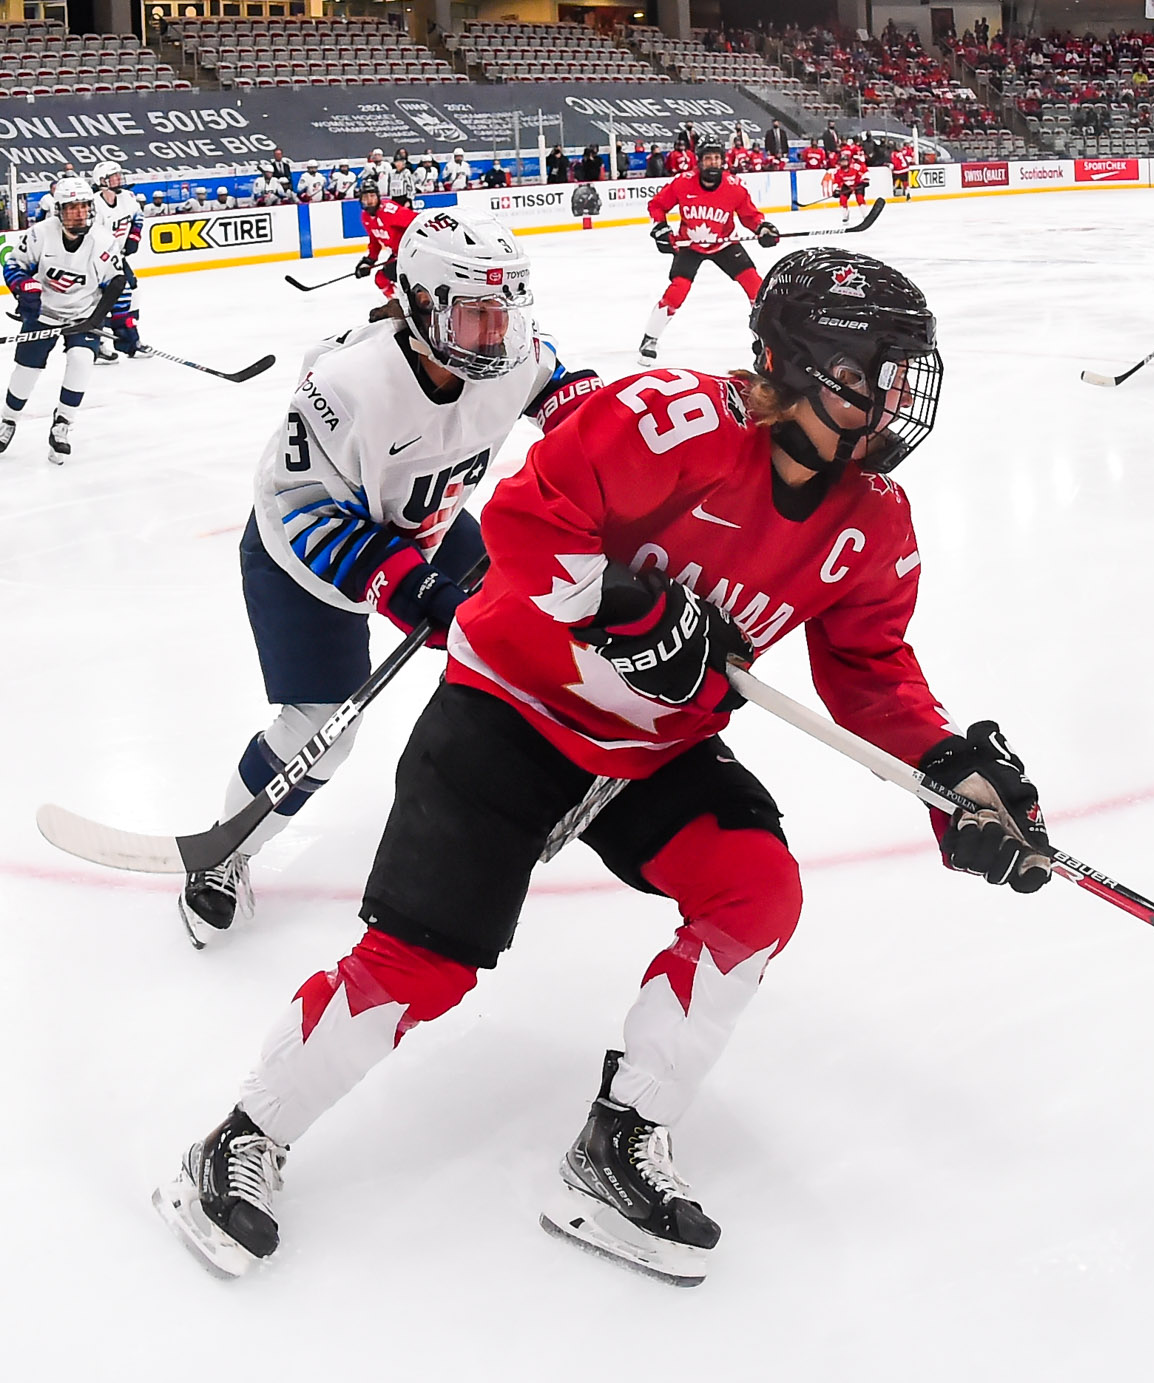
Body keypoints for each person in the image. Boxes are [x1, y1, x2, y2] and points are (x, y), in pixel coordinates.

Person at [153, 245, 1050, 1289]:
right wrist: (624, 602)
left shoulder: (871, 521)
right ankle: (240, 1136)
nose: (890, 402)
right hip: (513, 710)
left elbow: (868, 669)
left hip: (651, 748)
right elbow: (531, 522)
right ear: (791, 366)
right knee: (423, 961)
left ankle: (615, 1146)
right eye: (865, 377)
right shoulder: (668, 422)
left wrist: (948, 772)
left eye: (899, 378)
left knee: (755, 892)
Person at [171, 211, 602, 945]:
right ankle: (228, 852)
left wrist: (632, 460)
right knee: (323, 731)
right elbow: (302, 506)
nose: (496, 335)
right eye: (474, 317)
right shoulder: (350, 386)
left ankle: (569, 770)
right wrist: (411, 589)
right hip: (307, 557)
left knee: (545, 609)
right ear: (422, 305)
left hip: (427, 528)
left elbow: (574, 403)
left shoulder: (510, 351)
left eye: (504, 313)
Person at [0, 177, 128, 463]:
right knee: (26, 370)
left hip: (83, 315)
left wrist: (122, 322)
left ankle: (63, 424)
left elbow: (118, 283)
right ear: (59, 210)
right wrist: (23, 288)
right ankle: (7, 421)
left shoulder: (104, 241)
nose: (78, 213)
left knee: (82, 362)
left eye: (83, 207)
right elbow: (12, 264)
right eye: (71, 208)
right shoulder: (40, 234)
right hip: (44, 313)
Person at [637, 139, 781, 361]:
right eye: (708, 158)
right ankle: (650, 337)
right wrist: (660, 228)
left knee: (755, 286)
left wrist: (763, 227)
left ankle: (762, 339)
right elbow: (657, 205)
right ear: (699, 162)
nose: (713, 163)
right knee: (678, 289)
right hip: (690, 244)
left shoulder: (735, 187)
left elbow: (749, 216)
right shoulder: (682, 183)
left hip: (724, 243)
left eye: (717, 158)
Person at [89, 160, 143, 362]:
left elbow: (138, 217)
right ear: (102, 181)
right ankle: (98, 344)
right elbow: (93, 237)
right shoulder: (94, 204)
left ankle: (129, 338)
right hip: (97, 258)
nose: (119, 180)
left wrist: (134, 237)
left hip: (117, 256)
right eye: (114, 177)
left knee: (133, 291)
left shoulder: (127, 198)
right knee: (100, 300)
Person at [354, 181, 418, 300]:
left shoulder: (389, 211)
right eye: (365, 197)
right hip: (398, 255)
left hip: (412, 254)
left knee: (410, 283)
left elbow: (417, 221)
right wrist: (369, 260)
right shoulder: (365, 217)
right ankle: (397, 302)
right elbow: (375, 241)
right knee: (381, 279)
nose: (369, 200)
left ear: (378, 197)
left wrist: (414, 248)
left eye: (372, 196)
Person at [833, 138, 868, 222]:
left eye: (845, 161)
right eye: (842, 162)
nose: (843, 163)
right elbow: (837, 182)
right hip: (846, 186)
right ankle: (845, 215)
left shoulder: (855, 167)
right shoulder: (837, 171)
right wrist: (836, 190)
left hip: (857, 184)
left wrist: (865, 180)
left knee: (860, 198)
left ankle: (865, 215)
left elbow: (864, 172)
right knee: (842, 199)